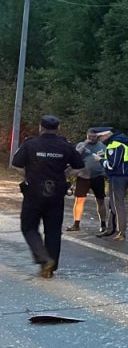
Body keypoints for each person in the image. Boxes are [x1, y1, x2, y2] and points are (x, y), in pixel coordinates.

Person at [12, 115, 84, 278]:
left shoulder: (30, 144)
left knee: (29, 227)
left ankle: (44, 259)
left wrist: (30, 175)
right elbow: (79, 166)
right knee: (53, 230)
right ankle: (50, 268)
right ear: (57, 128)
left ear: (40, 127)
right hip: (56, 192)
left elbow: (16, 164)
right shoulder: (65, 145)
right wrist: (64, 175)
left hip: (34, 192)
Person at [95, 127, 128, 241]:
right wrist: (105, 155)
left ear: (105, 135)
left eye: (100, 137)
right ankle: (111, 229)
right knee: (113, 203)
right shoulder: (125, 140)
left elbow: (112, 165)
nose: (99, 140)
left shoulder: (115, 145)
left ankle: (121, 232)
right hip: (125, 175)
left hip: (118, 177)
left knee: (117, 205)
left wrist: (100, 160)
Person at [65, 127, 108, 233]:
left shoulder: (102, 146)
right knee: (79, 200)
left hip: (98, 176)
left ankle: (103, 224)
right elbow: (75, 157)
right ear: (86, 135)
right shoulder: (81, 145)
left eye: (94, 137)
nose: (92, 139)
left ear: (98, 136)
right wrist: (84, 144)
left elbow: (106, 159)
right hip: (83, 176)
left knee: (100, 200)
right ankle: (76, 224)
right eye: (90, 136)